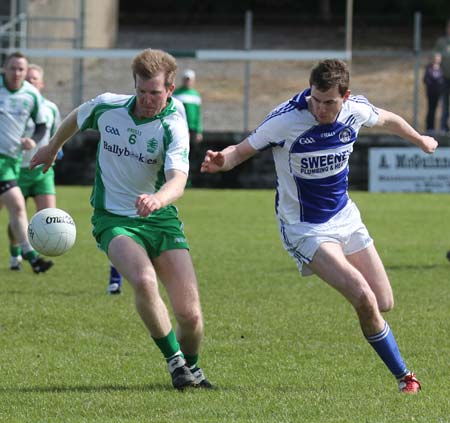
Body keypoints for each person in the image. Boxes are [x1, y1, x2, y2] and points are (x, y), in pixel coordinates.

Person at [201, 59, 438, 394]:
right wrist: (221, 161)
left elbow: (389, 119)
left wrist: (420, 139)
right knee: (363, 296)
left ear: (345, 96)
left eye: (329, 102)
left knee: (383, 302)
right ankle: (405, 377)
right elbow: (241, 151)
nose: (320, 108)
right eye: (315, 99)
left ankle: (367, 315)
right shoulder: (285, 119)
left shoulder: (355, 110)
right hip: (305, 227)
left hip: (345, 217)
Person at [30, 48, 212, 390]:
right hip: (113, 218)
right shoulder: (110, 106)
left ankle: (194, 367)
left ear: (170, 89)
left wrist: (157, 199)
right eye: (141, 91)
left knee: (190, 315)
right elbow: (77, 117)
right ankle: (175, 363)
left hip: (160, 217)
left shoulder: (173, 121)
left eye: (154, 93)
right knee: (143, 280)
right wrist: (52, 147)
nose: (146, 99)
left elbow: (178, 180)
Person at [0, 52, 54, 273]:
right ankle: (31, 256)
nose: (17, 73)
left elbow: (42, 124)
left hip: (12, 159)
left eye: (21, 69)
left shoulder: (31, 95)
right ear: (4, 68)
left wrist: (32, 140)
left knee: (17, 208)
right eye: (12, 68)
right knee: (17, 205)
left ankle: (28, 256)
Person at [173, 69, 203, 145]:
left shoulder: (196, 95)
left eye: (189, 80)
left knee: (193, 150)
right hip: (179, 125)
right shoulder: (176, 93)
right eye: (186, 79)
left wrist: (199, 131)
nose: (187, 81)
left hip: (192, 127)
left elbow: (198, 114)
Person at [433, 18, 450, 133]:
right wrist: (436, 61)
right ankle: (444, 128)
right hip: (445, 78)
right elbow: (436, 55)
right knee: (445, 105)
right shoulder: (441, 42)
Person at [423, 52, 445, 134]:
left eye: (439, 58)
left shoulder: (442, 68)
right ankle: (430, 127)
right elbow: (425, 79)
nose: (437, 59)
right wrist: (433, 84)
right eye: (436, 58)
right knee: (431, 110)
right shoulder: (429, 68)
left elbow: (443, 80)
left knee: (442, 110)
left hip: (439, 93)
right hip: (431, 93)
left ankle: (443, 128)